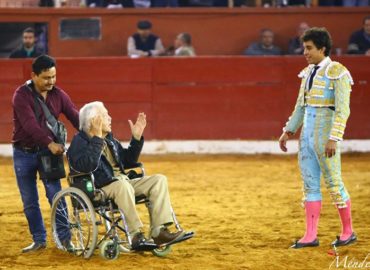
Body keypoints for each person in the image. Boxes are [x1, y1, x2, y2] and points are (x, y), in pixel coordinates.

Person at [67, 102, 188, 249]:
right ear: (94, 121)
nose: (110, 118)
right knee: (123, 186)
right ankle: (135, 235)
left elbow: (128, 161)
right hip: (99, 188)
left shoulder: (109, 139)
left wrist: (136, 139)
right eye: (105, 115)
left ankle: (158, 232)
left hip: (122, 182)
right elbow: (87, 166)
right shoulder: (79, 143)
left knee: (159, 180)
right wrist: (97, 140)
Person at [278, 27, 356, 249]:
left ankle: (348, 231)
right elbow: (300, 107)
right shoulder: (307, 73)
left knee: (334, 183)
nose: (305, 52)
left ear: (322, 48)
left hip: (325, 139)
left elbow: (343, 110)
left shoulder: (338, 72)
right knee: (310, 185)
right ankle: (310, 235)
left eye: (309, 48)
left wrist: (334, 138)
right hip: (306, 140)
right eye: (305, 47)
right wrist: (289, 130)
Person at [12, 55, 79, 253]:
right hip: (23, 153)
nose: (51, 81)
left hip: (48, 153)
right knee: (29, 200)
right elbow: (29, 125)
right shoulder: (21, 95)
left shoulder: (59, 95)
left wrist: (90, 134)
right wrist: (50, 143)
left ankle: (66, 240)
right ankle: (39, 240)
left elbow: (75, 115)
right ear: (33, 76)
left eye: (53, 77)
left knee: (56, 195)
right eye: (46, 78)